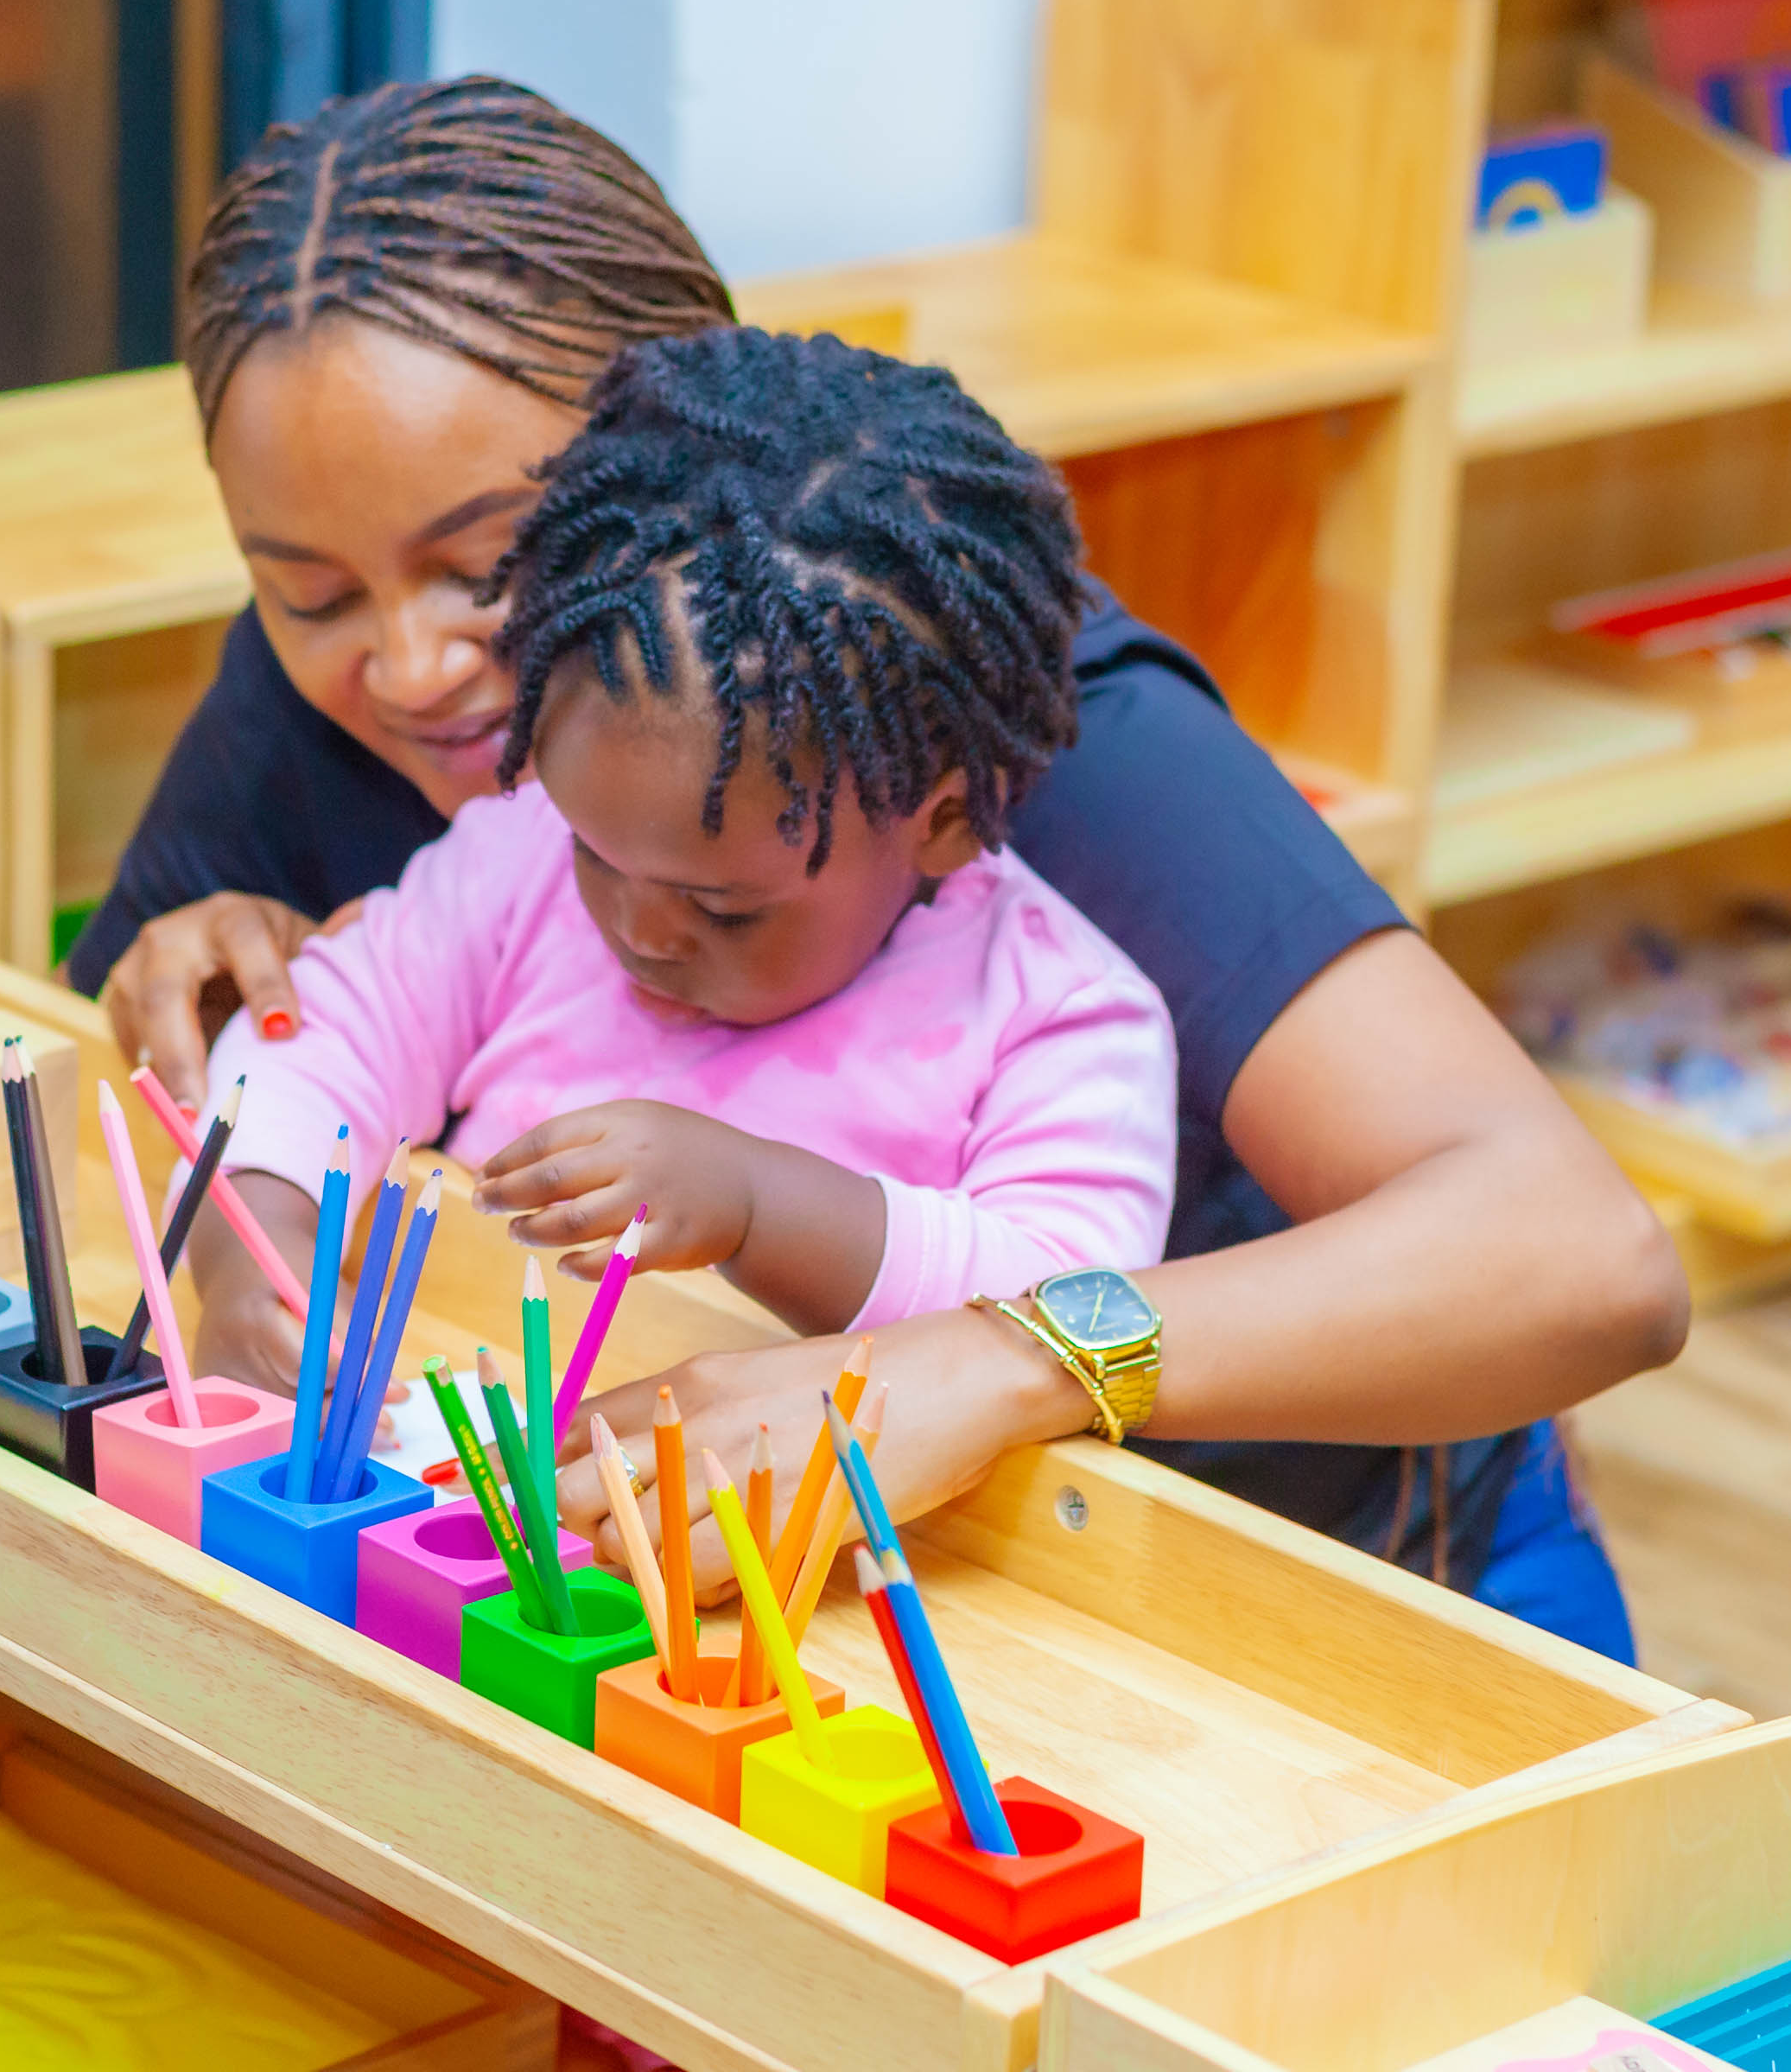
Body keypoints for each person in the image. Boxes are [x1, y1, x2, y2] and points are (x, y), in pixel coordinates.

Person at [80, 75, 1685, 1660]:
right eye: (308, 592)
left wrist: (1002, 1357)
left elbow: (1577, 1258)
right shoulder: (362, 674)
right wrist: (204, 964)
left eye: (483, 561)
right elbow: (246, 1056)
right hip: (794, 1576)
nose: (414, 662)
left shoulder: (1005, 727)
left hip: (1309, 1560)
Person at [209, 325, 1172, 1356]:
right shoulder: (524, 851)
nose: (640, 927)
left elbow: (1073, 1324)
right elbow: (326, 1034)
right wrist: (255, 1250)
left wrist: (757, 1206)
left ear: (934, 822)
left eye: (723, 908)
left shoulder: (1058, 1020)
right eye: (597, 855)